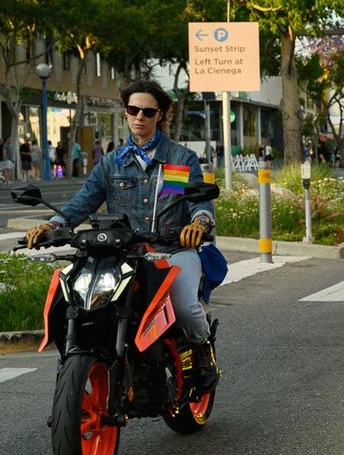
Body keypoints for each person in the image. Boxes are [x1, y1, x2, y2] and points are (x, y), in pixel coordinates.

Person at [25, 79, 219, 389]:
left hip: (171, 252)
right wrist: (52, 225)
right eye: (133, 110)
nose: (139, 117)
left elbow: (197, 203)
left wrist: (199, 224)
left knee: (183, 304)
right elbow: (82, 202)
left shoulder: (179, 160)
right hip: (123, 256)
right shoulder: (111, 162)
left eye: (147, 111)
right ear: (125, 113)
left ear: (160, 115)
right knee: (77, 298)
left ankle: (202, 349)